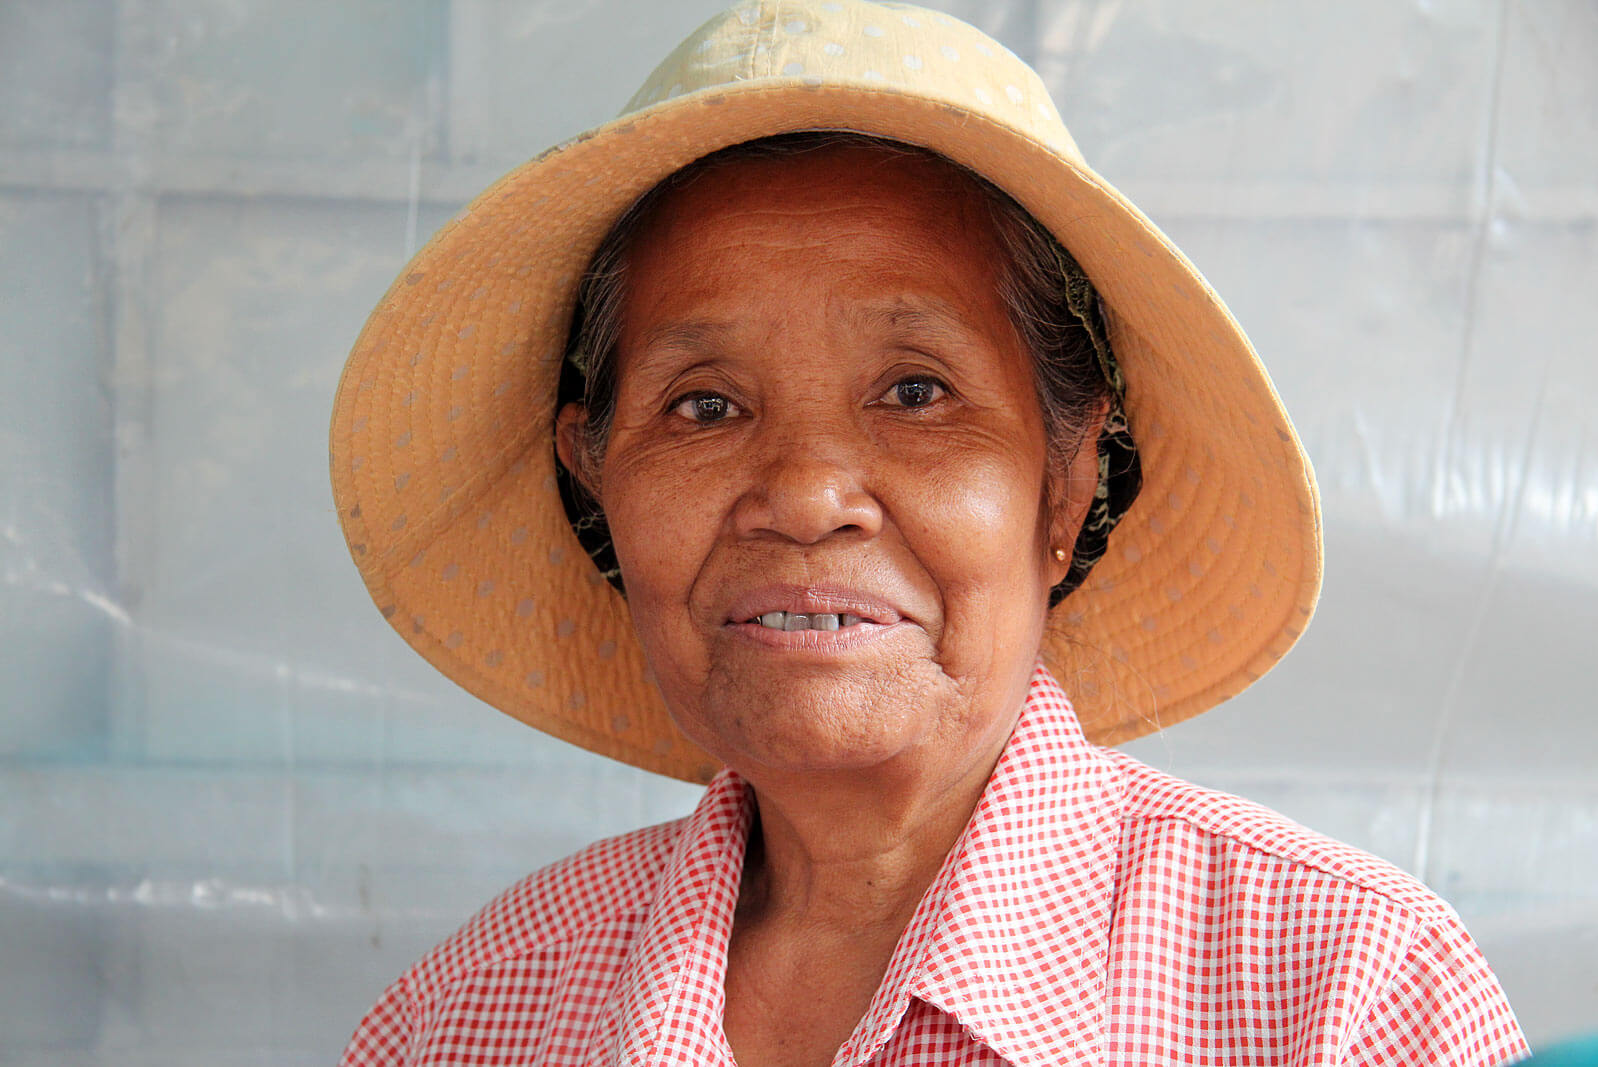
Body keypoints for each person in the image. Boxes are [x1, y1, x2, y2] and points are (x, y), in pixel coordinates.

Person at [330, 2, 1528, 1064]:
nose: (803, 496)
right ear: (595, 480)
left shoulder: (1340, 994)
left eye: (915, 391)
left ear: (1064, 487)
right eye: (704, 405)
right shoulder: (469, 1014)